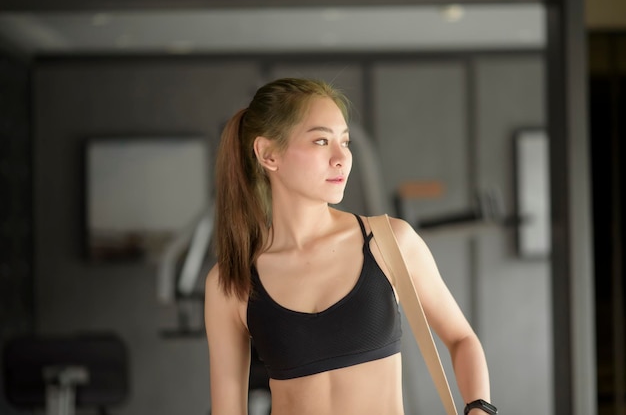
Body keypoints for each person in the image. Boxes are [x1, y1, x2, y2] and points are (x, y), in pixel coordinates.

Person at [204, 77, 495, 415]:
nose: (341, 157)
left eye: (345, 141)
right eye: (321, 141)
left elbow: (462, 339)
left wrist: (480, 409)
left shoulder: (390, 242)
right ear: (268, 154)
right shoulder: (232, 281)